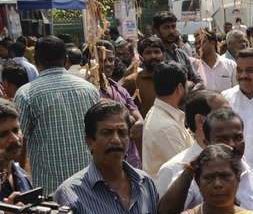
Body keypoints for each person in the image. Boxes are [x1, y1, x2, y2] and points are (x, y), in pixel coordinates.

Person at [13, 36, 101, 193]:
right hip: (89, 187)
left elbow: (18, 144)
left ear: (35, 60)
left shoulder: (26, 94)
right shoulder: (89, 90)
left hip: (50, 193)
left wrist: (20, 188)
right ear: (66, 59)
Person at [94, 40, 144, 170]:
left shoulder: (120, 90)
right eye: (102, 60)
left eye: (111, 60)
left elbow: (140, 124)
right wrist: (128, 121)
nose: (108, 64)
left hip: (131, 163)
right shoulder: (88, 92)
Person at [141, 61, 193, 177]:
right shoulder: (166, 128)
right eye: (186, 85)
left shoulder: (159, 113)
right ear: (180, 88)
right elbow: (184, 169)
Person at [152, 10, 202, 87]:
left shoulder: (182, 54)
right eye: (166, 28)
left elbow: (198, 80)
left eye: (173, 27)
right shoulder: (156, 56)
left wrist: (189, 90)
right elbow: (169, 86)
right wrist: (189, 85)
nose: (171, 31)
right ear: (157, 31)